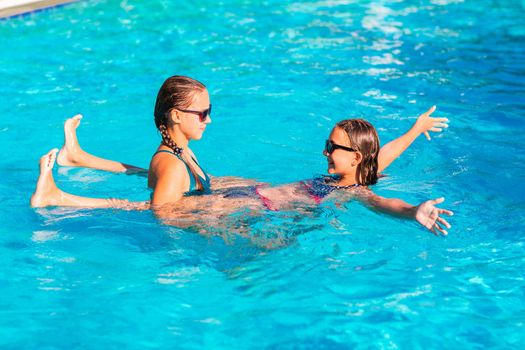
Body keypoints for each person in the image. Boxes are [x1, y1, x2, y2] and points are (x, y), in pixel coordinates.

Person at [30, 75, 452, 235]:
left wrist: (411, 210)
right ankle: (67, 183)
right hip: (257, 198)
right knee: (182, 194)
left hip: (259, 202)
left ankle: (69, 180)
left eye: (333, 147)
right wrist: (413, 129)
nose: (324, 150)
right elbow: (383, 156)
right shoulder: (354, 173)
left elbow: (382, 201)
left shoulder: (355, 189)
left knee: (183, 193)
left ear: (356, 158)